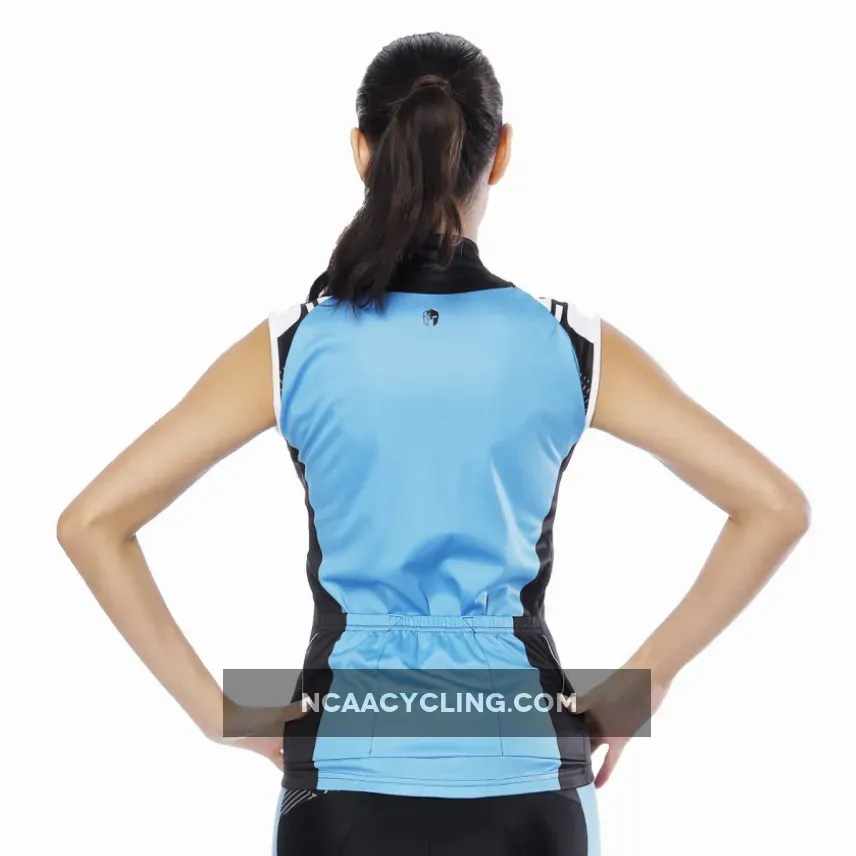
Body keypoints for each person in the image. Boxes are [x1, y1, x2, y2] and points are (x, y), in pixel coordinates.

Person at [56, 31, 810, 856]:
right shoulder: (570, 347)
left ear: (362, 152)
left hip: (343, 783)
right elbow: (773, 507)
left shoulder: (293, 348)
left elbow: (92, 523)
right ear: (501, 153)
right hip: (531, 783)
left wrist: (218, 712)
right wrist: (644, 684)